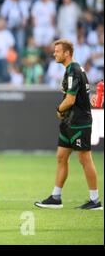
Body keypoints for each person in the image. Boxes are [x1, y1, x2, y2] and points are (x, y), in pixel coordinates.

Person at [35, 39, 102, 210]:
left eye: (57, 51)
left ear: (67, 53)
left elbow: (70, 99)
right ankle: (56, 197)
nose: (54, 53)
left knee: (84, 159)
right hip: (69, 121)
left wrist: (59, 109)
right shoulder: (72, 70)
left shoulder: (73, 70)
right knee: (61, 157)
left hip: (79, 122)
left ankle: (95, 201)